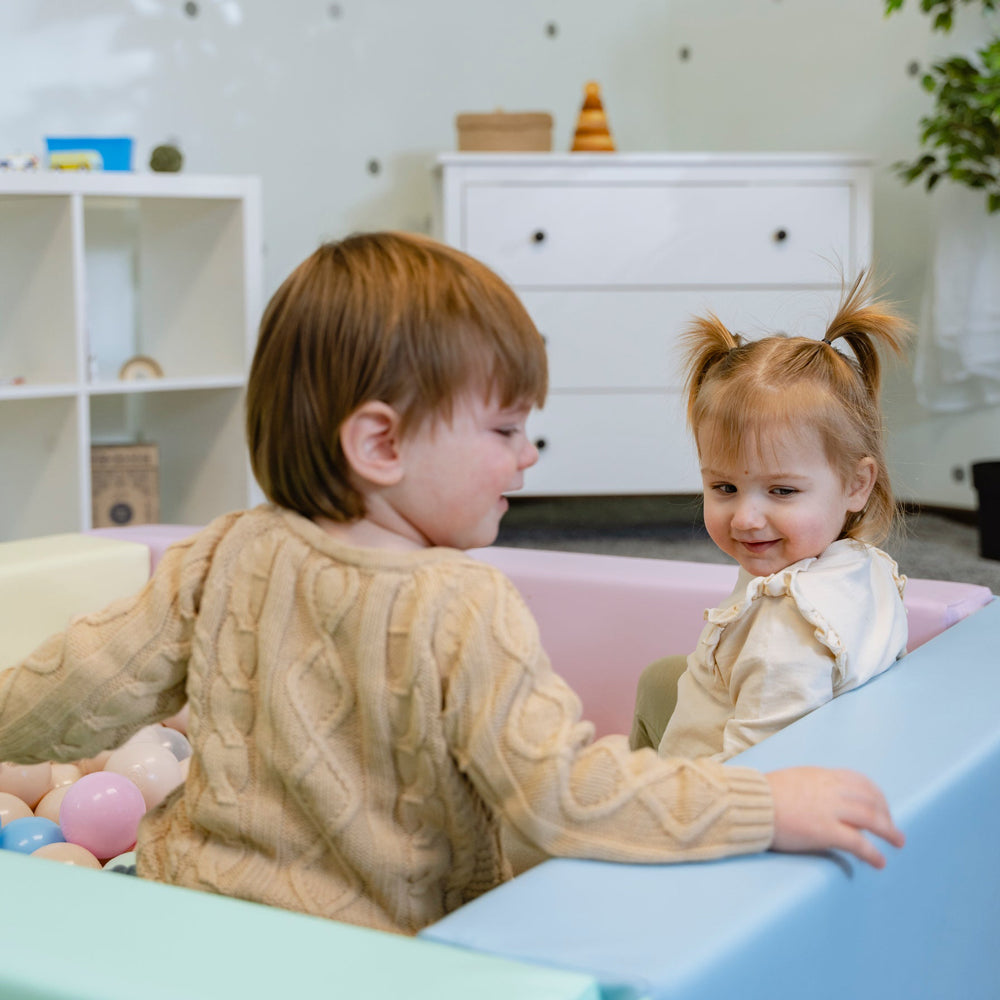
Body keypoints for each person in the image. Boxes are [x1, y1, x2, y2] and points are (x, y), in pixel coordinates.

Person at [0, 234, 903, 937]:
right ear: (382, 445)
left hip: (180, 907)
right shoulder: (463, 605)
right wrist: (767, 805)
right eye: (505, 429)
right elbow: (566, 799)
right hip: (377, 951)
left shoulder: (220, 550)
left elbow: (77, 687)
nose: (528, 455)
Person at [630, 271, 910, 763]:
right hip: (733, 726)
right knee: (660, 679)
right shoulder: (855, 563)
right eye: (724, 488)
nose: (745, 518)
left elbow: (753, 781)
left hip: (708, 802)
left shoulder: (785, 644)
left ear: (856, 485)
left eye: (781, 490)